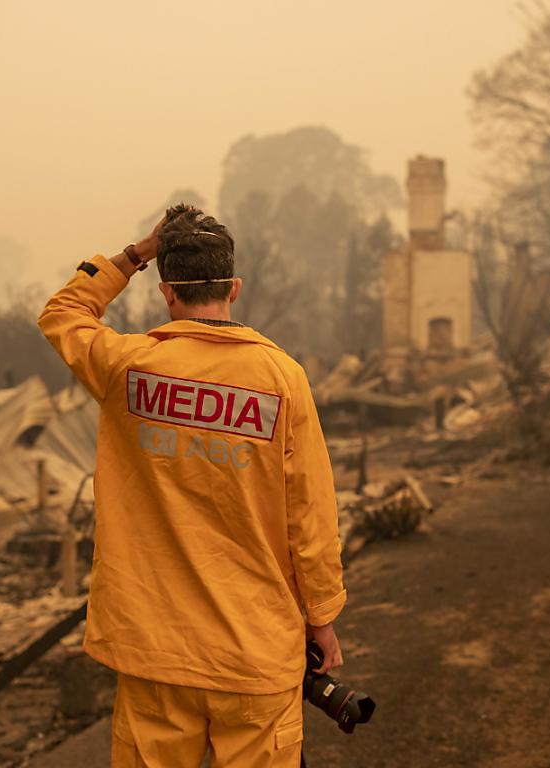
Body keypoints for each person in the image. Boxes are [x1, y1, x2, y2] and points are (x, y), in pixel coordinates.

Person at [38, 204, 345, 767]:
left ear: (166, 293)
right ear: (234, 287)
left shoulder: (128, 367)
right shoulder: (282, 378)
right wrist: (321, 617)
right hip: (255, 653)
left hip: (155, 652)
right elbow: (311, 513)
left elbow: (63, 312)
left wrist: (136, 253)